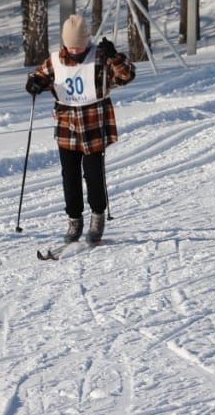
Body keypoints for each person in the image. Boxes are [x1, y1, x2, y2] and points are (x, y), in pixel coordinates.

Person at [26, 15, 136, 244]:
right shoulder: (56, 59)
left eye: (79, 44)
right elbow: (39, 76)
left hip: (94, 123)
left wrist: (114, 56)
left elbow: (127, 75)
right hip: (67, 125)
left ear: (87, 40)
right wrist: (34, 83)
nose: (75, 49)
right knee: (69, 175)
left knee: (94, 174)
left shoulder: (100, 56)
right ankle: (74, 219)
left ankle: (98, 216)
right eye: (70, 44)